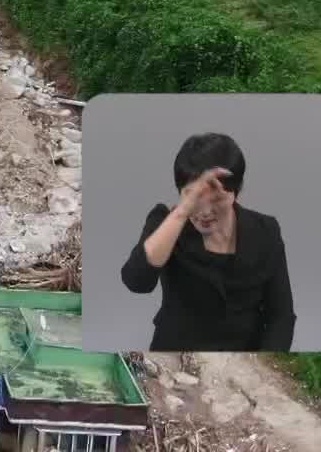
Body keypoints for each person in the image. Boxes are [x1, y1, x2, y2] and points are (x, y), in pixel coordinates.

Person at [120, 133, 294, 351]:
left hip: (245, 355)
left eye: (216, 199)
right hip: (175, 349)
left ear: (234, 193)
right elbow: (136, 281)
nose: (204, 211)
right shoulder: (165, 223)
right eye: (193, 197)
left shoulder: (266, 230)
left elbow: (282, 315)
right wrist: (182, 211)